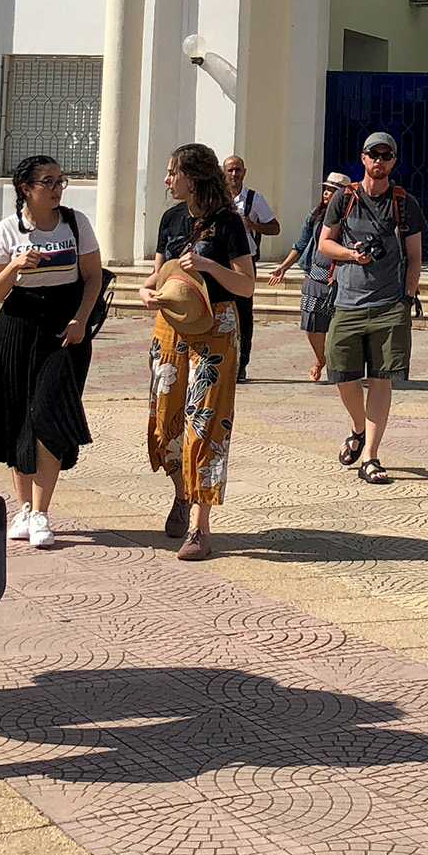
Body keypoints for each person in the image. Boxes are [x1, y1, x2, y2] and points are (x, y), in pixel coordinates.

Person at [0, 153, 103, 548]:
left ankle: (42, 511)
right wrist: (15, 265)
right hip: (18, 325)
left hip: (64, 328)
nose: (56, 189)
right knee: (19, 415)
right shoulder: (7, 230)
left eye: (59, 181)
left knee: (48, 413)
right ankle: (24, 509)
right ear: (26, 189)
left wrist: (81, 319)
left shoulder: (75, 222)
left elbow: (92, 277)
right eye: (47, 182)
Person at [140, 143, 255, 561]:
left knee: (205, 419)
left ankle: (201, 527)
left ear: (194, 176)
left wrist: (210, 267)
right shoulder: (171, 219)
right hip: (170, 323)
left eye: (174, 173)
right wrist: (146, 290)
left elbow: (246, 284)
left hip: (217, 325)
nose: (168, 180)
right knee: (166, 416)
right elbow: (158, 274)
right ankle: (181, 492)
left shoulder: (227, 223)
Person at [318, 131, 426, 485]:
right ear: (362, 158)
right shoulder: (344, 199)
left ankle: (371, 456)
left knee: (382, 379)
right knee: (341, 374)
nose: (379, 161)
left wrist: (407, 298)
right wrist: (352, 255)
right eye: (372, 154)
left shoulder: (404, 202)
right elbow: (324, 244)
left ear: (394, 161)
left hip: (389, 304)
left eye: (386, 155)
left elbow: (414, 257)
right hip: (347, 301)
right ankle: (358, 427)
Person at [269, 172, 350, 380]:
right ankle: (320, 357)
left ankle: (337, 365)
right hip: (316, 276)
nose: (327, 193)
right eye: (326, 188)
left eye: (333, 190)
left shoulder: (351, 219)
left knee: (338, 327)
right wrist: (283, 267)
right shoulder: (314, 216)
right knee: (312, 324)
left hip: (341, 278)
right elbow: (301, 244)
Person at [223, 155, 281, 381]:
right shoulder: (216, 198)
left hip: (244, 263)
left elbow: (275, 227)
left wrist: (253, 225)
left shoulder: (254, 199)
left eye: (238, 170)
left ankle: (241, 364)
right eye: (230, 170)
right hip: (219, 263)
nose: (234, 175)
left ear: (244, 172)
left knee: (243, 314)